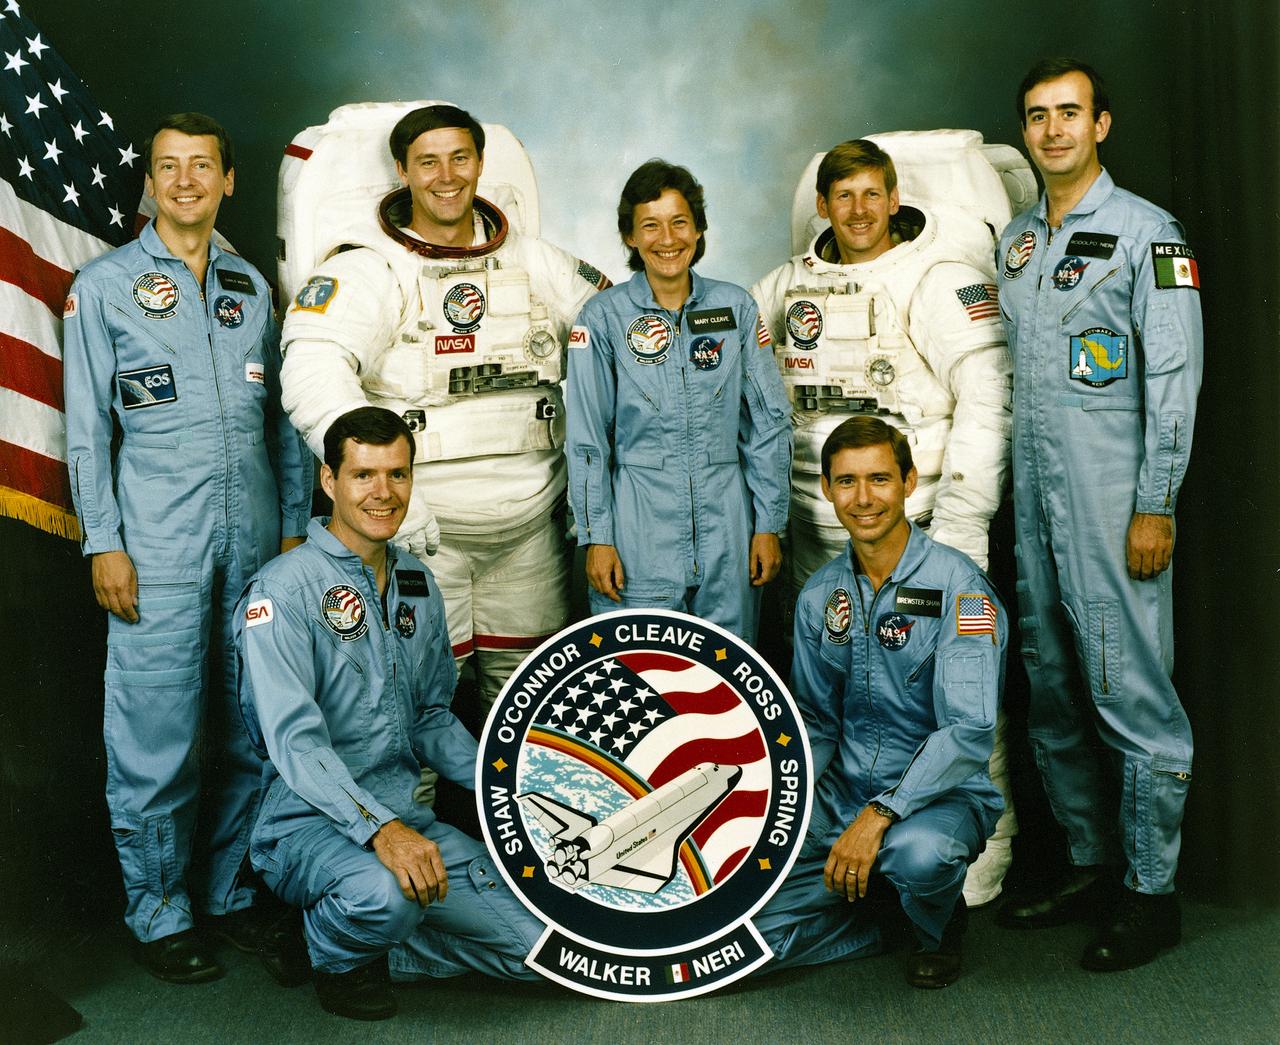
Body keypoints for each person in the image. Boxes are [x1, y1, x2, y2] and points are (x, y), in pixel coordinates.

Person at [62, 113, 312, 983]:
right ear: (150, 182)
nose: (184, 182)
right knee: (156, 736)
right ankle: (160, 909)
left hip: (253, 542)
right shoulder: (105, 286)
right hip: (156, 547)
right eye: (168, 167)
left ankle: (230, 893)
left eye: (202, 166)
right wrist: (104, 541)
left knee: (253, 723)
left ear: (228, 180)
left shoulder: (251, 284)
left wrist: (288, 532)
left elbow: (281, 420)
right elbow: (89, 429)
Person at [751, 138, 1016, 906]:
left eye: (874, 195)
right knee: (837, 701)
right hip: (820, 533)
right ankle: (852, 849)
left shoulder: (936, 281)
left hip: (923, 529)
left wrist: (964, 526)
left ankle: (970, 868)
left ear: (895, 199)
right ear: (823, 206)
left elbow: (986, 403)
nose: (860, 212)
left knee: (958, 699)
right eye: (844, 197)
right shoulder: (785, 287)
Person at [280, 104, 608, 721]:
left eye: (460, 158)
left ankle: (521, 819)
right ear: (402, 172)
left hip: (532, 529)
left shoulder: (540, 263)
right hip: (425, 530)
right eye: (428, 161)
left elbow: (624, 340)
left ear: (481, 164)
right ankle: (417, 819)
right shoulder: (370, 269)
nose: (446, 175)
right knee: (412, 705)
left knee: (533, 705)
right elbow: (312, 374)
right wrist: (384, 490)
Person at [995, 59, 1202, 971]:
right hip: (1037, 503)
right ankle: (1090, 863)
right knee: (1054, 688)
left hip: (1114, 507)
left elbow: (1174, 380)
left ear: (1102, 125)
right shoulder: (1018, 243)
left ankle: (1151, 891)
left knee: (1130, 691)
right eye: (1037, 117)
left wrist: (1155, 504)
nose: (1053, 131)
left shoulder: (1147, 235)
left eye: (1069, 114)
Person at [234, 407, 542, 1021]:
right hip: (306, 826)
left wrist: (511, 788)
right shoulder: (283, 592)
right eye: (364, 475)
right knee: (388, 896)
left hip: (407, 818)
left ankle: (375, 946)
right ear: (329, 481)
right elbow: (295, 744)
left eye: (397, 475)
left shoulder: (417, 582)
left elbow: (430, 717)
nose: (383, 493)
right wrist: (379, 831)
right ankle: (335, 948)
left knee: (539, 948)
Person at [754, 417, 1005, 988]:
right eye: (846, 482)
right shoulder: (820, 594)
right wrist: (778, 804)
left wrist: (882, 814)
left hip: (937, 798)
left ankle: (937, 928)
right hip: (841, 792)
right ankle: (880, 919)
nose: (863, 499)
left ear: (910, 482)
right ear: (826, 490)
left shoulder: (961, 590)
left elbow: (966, 732)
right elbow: (815, 719)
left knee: (922, 857)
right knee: (744, 906)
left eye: (879, 480)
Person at [565, 160, 791, 641]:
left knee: (730, 677)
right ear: (630, 236)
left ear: (700, 228)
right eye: (650, 225)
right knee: (637, 672)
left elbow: (767, 425)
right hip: (637, 526)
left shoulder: (736, 309)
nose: (667, 238)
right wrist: (597, 536)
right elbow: (587, 439)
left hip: (728, 524)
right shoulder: (603, 318)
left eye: (679, 222)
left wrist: (768, 523)